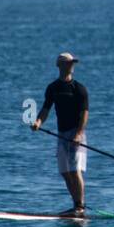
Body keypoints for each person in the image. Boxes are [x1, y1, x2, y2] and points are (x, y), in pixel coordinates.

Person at [32, 51, 88, 216]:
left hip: (77, 134)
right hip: (61, 134)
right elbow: (46, 109)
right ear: (60, 65)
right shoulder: (53, 88)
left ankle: (80, 207)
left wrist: (78, 134)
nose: (72, 66)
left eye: (73, 63)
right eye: (69, 63)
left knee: (75, 170)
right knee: (65, 172)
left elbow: (85, 113)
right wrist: (38, 122)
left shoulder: (79, 89)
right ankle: (75, 205)